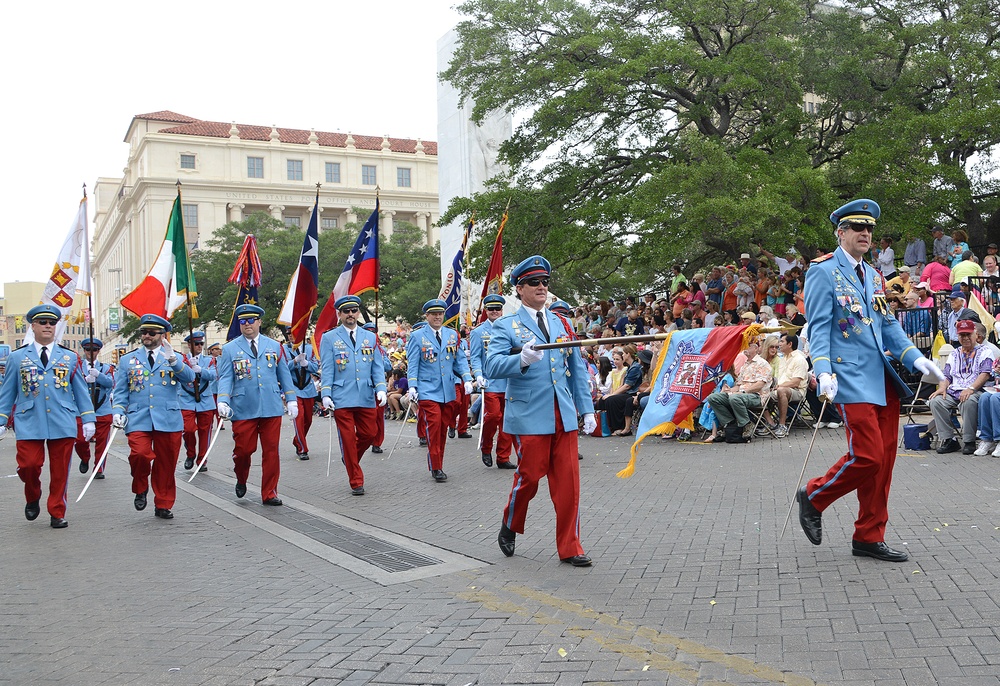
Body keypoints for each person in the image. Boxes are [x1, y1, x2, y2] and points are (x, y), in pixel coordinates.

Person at [797, 199, 943, 562]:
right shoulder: (822, 271)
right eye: (857, 228)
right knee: (867, 456)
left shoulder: (874, 275)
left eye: (870, 230)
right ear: (840, 232)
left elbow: (888, 325)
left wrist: (917, 357)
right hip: (846, 375)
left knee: (884, 462)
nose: (865, 234)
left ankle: (868, 535)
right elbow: (817, 328)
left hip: (881, 377)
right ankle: (814, 496)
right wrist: (823, 368)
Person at [485, 255, 596, 567]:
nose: (542, 287)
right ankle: (510, 523)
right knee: (530, 476)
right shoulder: (507, 326)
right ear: (520, 289)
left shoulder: (562, 323)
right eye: (534, 282)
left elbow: (575, 367)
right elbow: (492, 366)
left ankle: (570, 546)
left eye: (545, 282)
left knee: (568, 484)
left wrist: (585, 409)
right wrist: (520, 359)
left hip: (563, 413)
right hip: (530, 415)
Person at [0, 304, 96, 529]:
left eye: (52, 323)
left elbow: (80, 390)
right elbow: (7, 393)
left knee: (60, 470)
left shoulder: (70, 357)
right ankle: (32, 495)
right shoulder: (17, 358)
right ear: (32, 325)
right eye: (42, 322)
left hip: (62, 419)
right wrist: (2, 419)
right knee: (29, 465)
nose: (48, 326)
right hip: (29, 419)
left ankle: (57, 511)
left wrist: (88, 418)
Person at [112, 314, 196, 520]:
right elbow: (121, 390)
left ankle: (163, 503)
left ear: (162, 335)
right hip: (138, 417)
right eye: (143, 332)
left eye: (151, 333)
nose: (146, 336)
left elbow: (190, 380)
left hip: (168, 418)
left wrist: (175, 362)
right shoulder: (128, 359)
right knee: (139, 454)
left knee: (166, 464)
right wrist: (118, 411)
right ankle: (140, 487)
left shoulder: (173, 356)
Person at [216, 304, 298, 506]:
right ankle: (241, 477)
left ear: (259, 322)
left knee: (271, 451)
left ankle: (269, 492)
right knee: (244, 450)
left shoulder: (274, 346)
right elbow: (226, 378)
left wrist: (292, 398)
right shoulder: (229, 349)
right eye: (242, 321)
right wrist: (223, 400)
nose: (247, 325)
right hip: (243, 407)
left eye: (251, 320)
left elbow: (284, 375)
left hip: (270, 406)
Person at [319, 296, 388, 495]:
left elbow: (377, 367)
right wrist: (326, 394)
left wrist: (381, 388)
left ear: (358, 313)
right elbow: (328, 368)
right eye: (346, 311)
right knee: (348, 439)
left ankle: (350, 458)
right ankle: (356, 480)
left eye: (353, 310)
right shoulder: (329, 338)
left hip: (365, 394)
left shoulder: (370, 337)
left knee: (369, 433)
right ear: (339, 314)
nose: (350, 314)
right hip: (341, 396)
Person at [405, 299, 473, 483]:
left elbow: (459, 360)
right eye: (433, 314)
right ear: (426, 316)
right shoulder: (417, 336)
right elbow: (413, 363)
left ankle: (439, 463)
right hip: (427, 389)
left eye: (440, 313)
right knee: (434, 426)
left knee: (443, 428)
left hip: (447, 389)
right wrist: (412, 385)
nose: (437, 317)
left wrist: (467, 378)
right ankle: (436, 466)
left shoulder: (452, 335)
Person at [928, 319, 992, 455]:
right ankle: (949, 439)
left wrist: (971, 389)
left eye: (968, 335)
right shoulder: (954, 353)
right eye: (962, 335)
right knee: (936, 401)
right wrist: (942, 387)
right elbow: (946, 375)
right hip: (954, 390)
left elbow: (985, 374)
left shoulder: (985, 351)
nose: (965, 338)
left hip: (976, 390)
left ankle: (969, 441)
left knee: (967, 400)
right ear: (958, 336)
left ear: (976, 335)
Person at [469, 294, 515, 469]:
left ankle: (503, 457)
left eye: (498, 309)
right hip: (490, 381)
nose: (495, 312)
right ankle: (486, 446)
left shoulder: (511, 329)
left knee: (508, 420)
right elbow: (475, 357)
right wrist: (478, 375)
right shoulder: (478, 332)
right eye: (491, 309)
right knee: (493, 416)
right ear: (486, 311)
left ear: (502, 311)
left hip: (509, 381)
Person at [707, 339, 773, 443]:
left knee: (735, 397)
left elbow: (759, 385)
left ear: (755, 348)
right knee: (713, 398)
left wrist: (741, 392)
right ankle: (730, 423)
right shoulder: (745, 365)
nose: (745, 348)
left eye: (748, 345)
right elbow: (738, 385)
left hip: (757, 396)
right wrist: (729, 390)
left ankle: (747, 424)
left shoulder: (762, 364)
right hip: (741, 395)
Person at [75, 336, 115, 479]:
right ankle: (85, 457)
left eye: (94, 350)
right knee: (80, 440)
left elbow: (111, 383)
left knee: (102, 443)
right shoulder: (77, 367)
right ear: (84, 350)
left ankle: (98, 469)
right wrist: (84, 380)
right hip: (82, 411)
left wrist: (99, 376)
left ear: (98, 351)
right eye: (88, 349)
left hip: (102, 410)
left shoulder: (106, 368)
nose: (91, 353)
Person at [179, 331, 217, 472]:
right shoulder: (182, 360)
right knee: (188, 429)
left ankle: (202, 460)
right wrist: (189, 369)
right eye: (196, 344)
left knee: (205, 431)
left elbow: (213, 375)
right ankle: (190, 453)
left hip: (205, 399)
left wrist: (200, 370)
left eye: (201, 343)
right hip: (186, 399)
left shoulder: (209, 360)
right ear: (189, 345)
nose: (199, 346)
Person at [284, 333, 319, 460]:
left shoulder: (309, 348)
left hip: (308, 388)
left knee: (308, 420)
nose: (291, 336)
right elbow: (283, 368)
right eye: (288, 334)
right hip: (294, 388)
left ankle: (297, 440)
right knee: (298, 418)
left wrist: (306, 363)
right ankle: (302, 449)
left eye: (293, 333)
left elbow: (316, 367)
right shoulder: (284, 349)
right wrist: (294, 361)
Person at [768, 333, 808, 437]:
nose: (779, 344)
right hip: (779, 388)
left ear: (790, 344)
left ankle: (782, 425)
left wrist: (780, 386)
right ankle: (770, 423)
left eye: (781, 341)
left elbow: (795, 382)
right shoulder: (782, 359)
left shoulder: (799, 359)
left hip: (796, 391)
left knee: (782, 391)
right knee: (760, 391)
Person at [363, 321, 392, 454]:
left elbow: (388, 367)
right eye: (369, 331)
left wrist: (379, 357)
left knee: (379, 418)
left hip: (378, 389)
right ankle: (365, 440)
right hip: (365, 388)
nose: (372, 334)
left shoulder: (381, 350)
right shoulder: (360, 348)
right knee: (367, 419)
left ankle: (377, 443)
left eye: (373, 332)